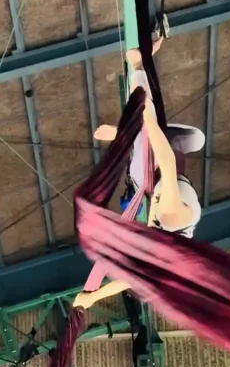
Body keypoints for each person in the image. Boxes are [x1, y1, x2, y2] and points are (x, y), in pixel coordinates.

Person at [74, 41, 205, 311]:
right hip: (165, 162)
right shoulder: (171, 216)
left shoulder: (161, 256)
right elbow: (167, 162)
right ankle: (137, 73)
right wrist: (144, 119)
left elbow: (127, 280)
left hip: (147, 178)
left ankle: (134, 116)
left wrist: (92, 297)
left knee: (143, 163)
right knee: (183, 137)